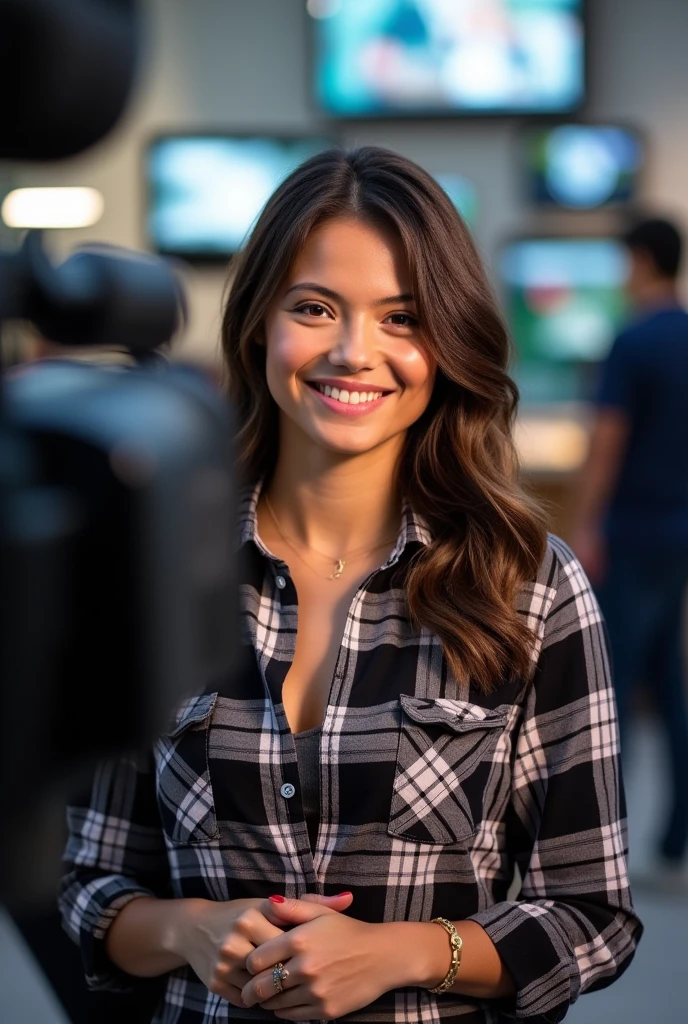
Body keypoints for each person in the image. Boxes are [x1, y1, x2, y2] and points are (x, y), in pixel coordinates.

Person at [60, 147, 642, 1023]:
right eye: (315, 306)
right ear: (259, 321)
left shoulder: (527, 583)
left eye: (401, 317)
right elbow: (86, 883)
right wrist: (188, 929)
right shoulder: (150, 569)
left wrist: (402, 954)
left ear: (447, 341)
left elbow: (593, 918)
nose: (352, 351)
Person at [572, 215, 688, 886]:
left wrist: (586, 525)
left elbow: (606, 442)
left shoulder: (634, 340)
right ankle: (675, 839)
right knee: (670, 687)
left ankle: (598, 845)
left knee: (606, 690)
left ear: (641, 260)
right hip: (679, 537)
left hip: (635, 533)